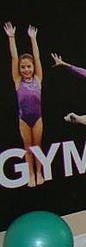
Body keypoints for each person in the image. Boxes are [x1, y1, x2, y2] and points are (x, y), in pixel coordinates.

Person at [4, 22, 45, 187]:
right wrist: (11, 37)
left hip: (37, 118)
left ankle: (39, 173)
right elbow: (14, 58)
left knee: (37, 147)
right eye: (23, 67)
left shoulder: (38, 79)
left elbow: (37, 58)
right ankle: (31, 174)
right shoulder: (17, 80)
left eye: (29, 66)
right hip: (24, 119)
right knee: (28, 148)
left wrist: (33, 39)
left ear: (33, 67)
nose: (26, 70)